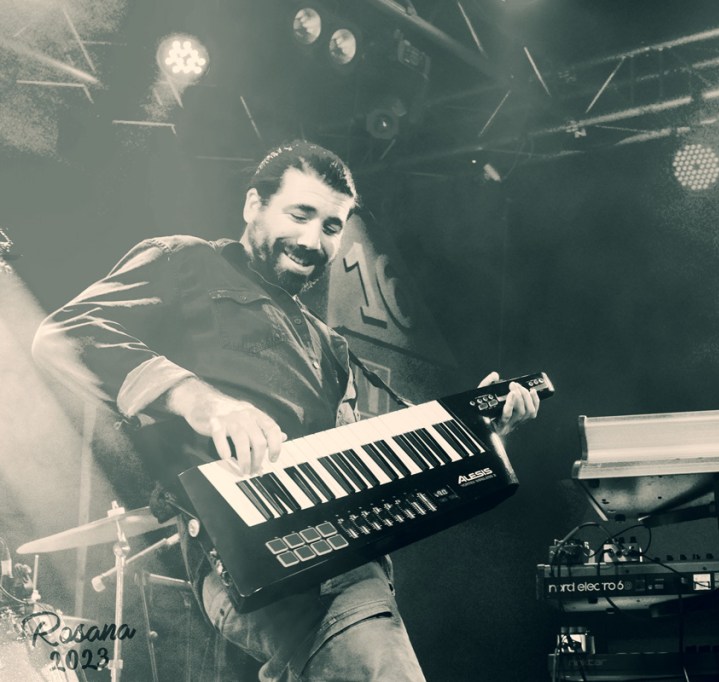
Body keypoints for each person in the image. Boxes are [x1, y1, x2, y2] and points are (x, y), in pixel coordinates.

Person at [31, 140, 541, 681]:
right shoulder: (187, 260)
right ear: (254, 204)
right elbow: (63, 334)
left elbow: (358, 459)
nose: (312, 240)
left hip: (342, 556)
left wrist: (475, 433)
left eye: (331, 226)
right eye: (300, 215)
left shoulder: (330, 345)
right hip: (248, 555)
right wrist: (203, 402)